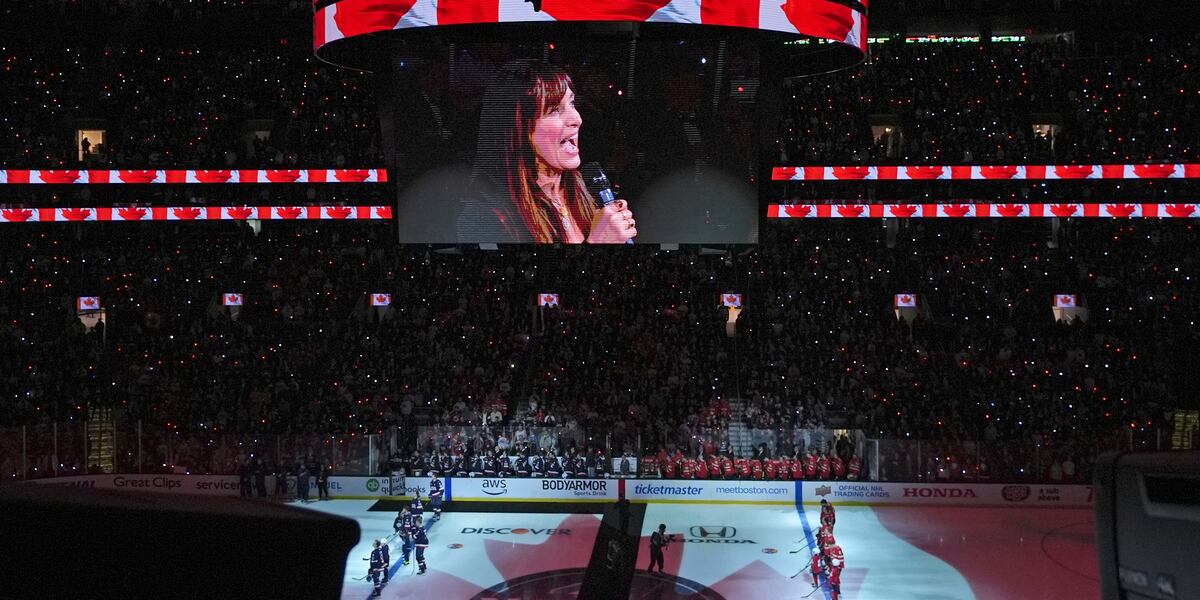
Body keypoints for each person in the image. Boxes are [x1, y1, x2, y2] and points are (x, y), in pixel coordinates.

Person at [459, 60, 637, 244]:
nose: (576, 119)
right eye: (554, 110)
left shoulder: (587, 191)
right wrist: (598, 242)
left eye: (572, 103)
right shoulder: (485, 217)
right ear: (519, 129)